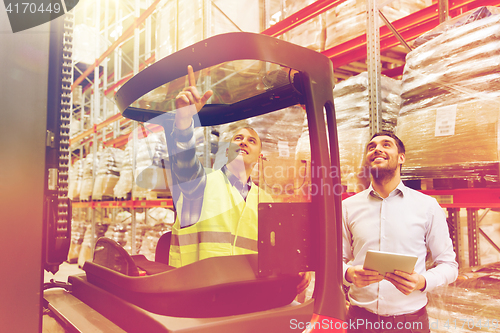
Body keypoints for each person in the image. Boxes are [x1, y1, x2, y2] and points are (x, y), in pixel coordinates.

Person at [167, 65, 310, 295]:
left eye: (252, 141)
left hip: (247, 297)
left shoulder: (267, 200)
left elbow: (279, 253)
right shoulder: (200, 182)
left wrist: (297, 270)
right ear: (226, 148)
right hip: (195, 295)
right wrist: (184, 122)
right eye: (238, 138)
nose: (244, 142)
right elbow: (183, 161)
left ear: (260, 156)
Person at [342, 131, 458, 333]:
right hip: (359, 321)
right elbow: (336, 260)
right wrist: (348, 273)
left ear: (401, 158)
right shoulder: (348, 207)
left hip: (410, 323)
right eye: (371, 147)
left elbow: (449, 264)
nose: (377, 149)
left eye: (386, 145)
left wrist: (422, 281)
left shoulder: (427, 206)